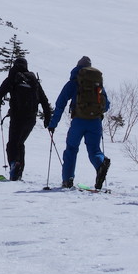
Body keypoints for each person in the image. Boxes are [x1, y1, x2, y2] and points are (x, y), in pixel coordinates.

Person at [0, 56, 53, 180]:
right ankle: (18, 171)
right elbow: (44, 100)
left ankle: (14, 166)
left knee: (12, 144)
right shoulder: (33, 80)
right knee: (20, 143)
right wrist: (48, 118)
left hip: (17, 116)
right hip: (31, 117)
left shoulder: (13, 78)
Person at [49, 56, 111, 189]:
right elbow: (106, 106)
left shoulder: (73, 82)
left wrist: (53, 123)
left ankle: (67, 180)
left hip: (78, 121)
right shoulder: (97, 83)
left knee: (71, 149)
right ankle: (101, 164)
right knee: (94, 150)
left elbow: (60, 104)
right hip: (95, 122)